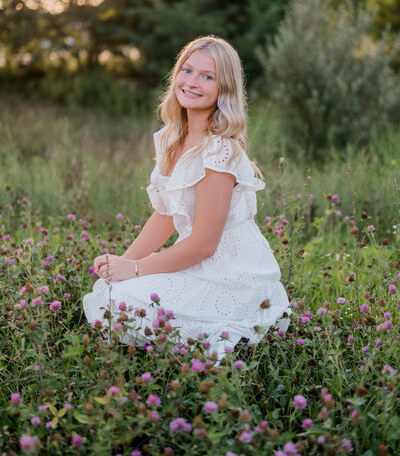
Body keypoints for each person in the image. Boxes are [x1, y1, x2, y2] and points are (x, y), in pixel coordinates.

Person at [82, 35, 291, 358]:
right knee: (111, 291)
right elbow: (165, 214)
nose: (193, 82)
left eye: (208, 77)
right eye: (187, 70)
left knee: (122, 302)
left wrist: (137, 271)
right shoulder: (172, 138)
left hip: (230, 276)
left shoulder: (218, 150)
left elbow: (205, 245)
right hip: (196, 261)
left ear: (225, 89)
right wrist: (125, 263)